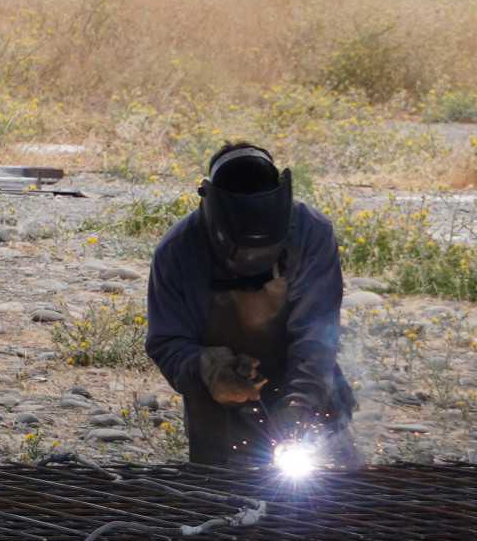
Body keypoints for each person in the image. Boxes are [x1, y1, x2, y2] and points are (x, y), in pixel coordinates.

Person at [145, 142, 359, 468]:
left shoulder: (311, 232)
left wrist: (298, 403)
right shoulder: (178, 251)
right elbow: (166, 342)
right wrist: (208, 367)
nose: (253, 262)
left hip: (310, 396)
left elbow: (316, 336)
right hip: (220, 414)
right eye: (242, 252)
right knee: (224, 506)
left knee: (333, 500)